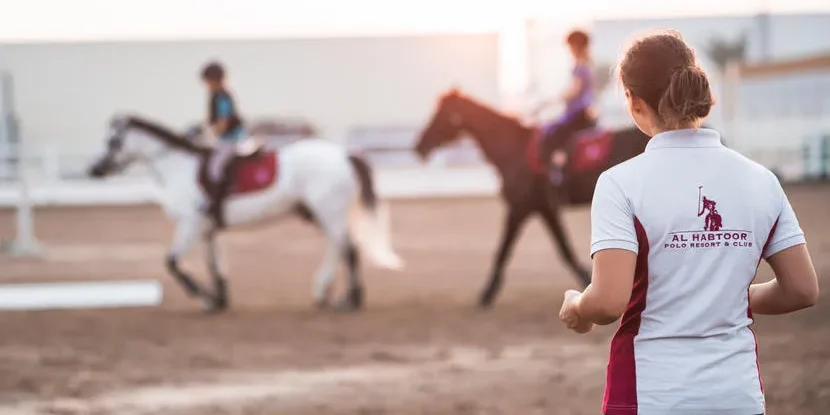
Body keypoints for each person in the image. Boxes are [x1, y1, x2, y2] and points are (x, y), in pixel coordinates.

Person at [558, 30, 818, 415]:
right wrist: (727, 295)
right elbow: (801, 290)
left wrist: (578, 307)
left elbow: (609, 301)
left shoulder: (620, 184)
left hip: (650, 392)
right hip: (738, 395)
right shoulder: (761, 180)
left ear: (633, 102)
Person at [534, 29, 597, 182]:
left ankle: (558, 170)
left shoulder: (580, 66)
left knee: (552, 133)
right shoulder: (586, 64)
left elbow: (575, 90)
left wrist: (552, 100)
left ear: (576, 46)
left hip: (577, 114)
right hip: (580, 112)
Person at [200, 61, 245, 226]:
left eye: (208, 81)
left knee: (215, 168)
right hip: (224, 138)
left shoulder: (223, 97)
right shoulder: (214, 96)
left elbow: (223, 123)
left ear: (215, 80)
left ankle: (217, 206)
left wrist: (210, 135)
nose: (206, 85)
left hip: (231, 138)